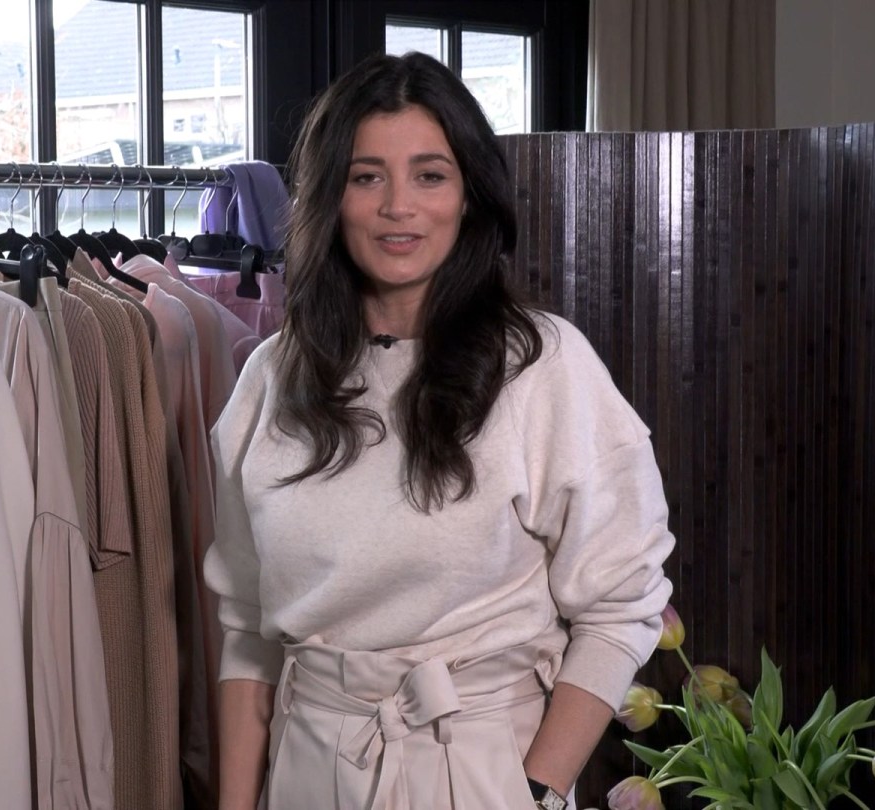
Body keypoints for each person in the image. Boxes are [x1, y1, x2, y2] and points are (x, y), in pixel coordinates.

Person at [203, 52, 675, 810]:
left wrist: (536, 791)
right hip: (306, 765)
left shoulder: (544, 367)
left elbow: (621, 606)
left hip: (483, 767)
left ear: (468, 196)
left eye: (430, 175)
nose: (399, 206)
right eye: (366, 177)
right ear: (329, 198)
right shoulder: (269, 377)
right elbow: (247, 632)